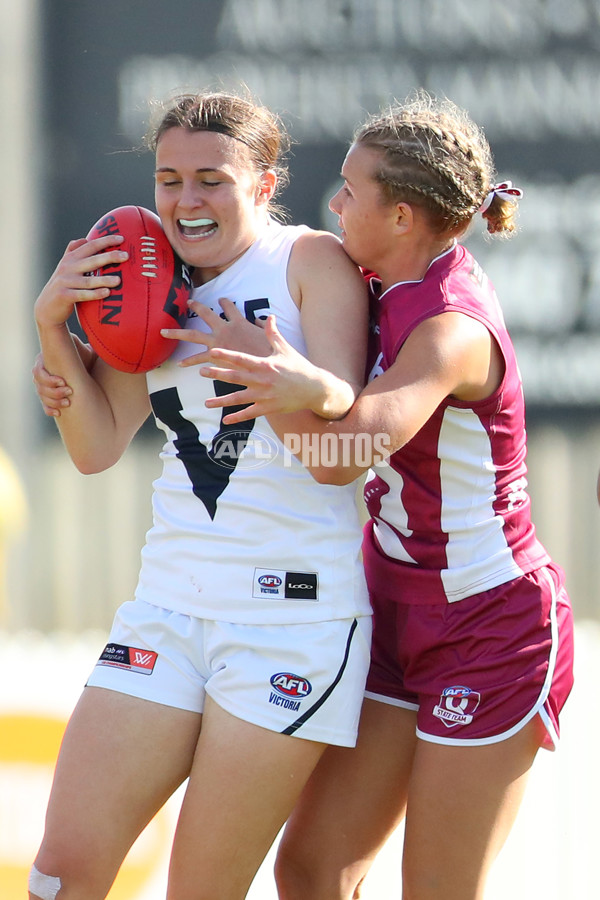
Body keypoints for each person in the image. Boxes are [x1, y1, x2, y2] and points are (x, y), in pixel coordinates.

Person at [191, 92, 575, 900]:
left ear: (401, 217)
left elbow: (348, 448)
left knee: (436, 887)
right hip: (394, 609)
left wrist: (266, 378)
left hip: (491, 623)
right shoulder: (368, 283)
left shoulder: (449, 328)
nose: (332, 205)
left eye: (349, 192)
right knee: (313, 869)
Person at [29, 90, 373, 900]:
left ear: (263, 183)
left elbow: (345, 457)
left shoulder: (307, 260)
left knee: (200, 889)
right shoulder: (150, 277)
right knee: (61, 872)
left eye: (212, 179)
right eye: (169, 179)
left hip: (291, 623)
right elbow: (96, 447)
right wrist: (52, 327)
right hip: (168, 606)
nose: (187, 201)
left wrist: (265, 372)